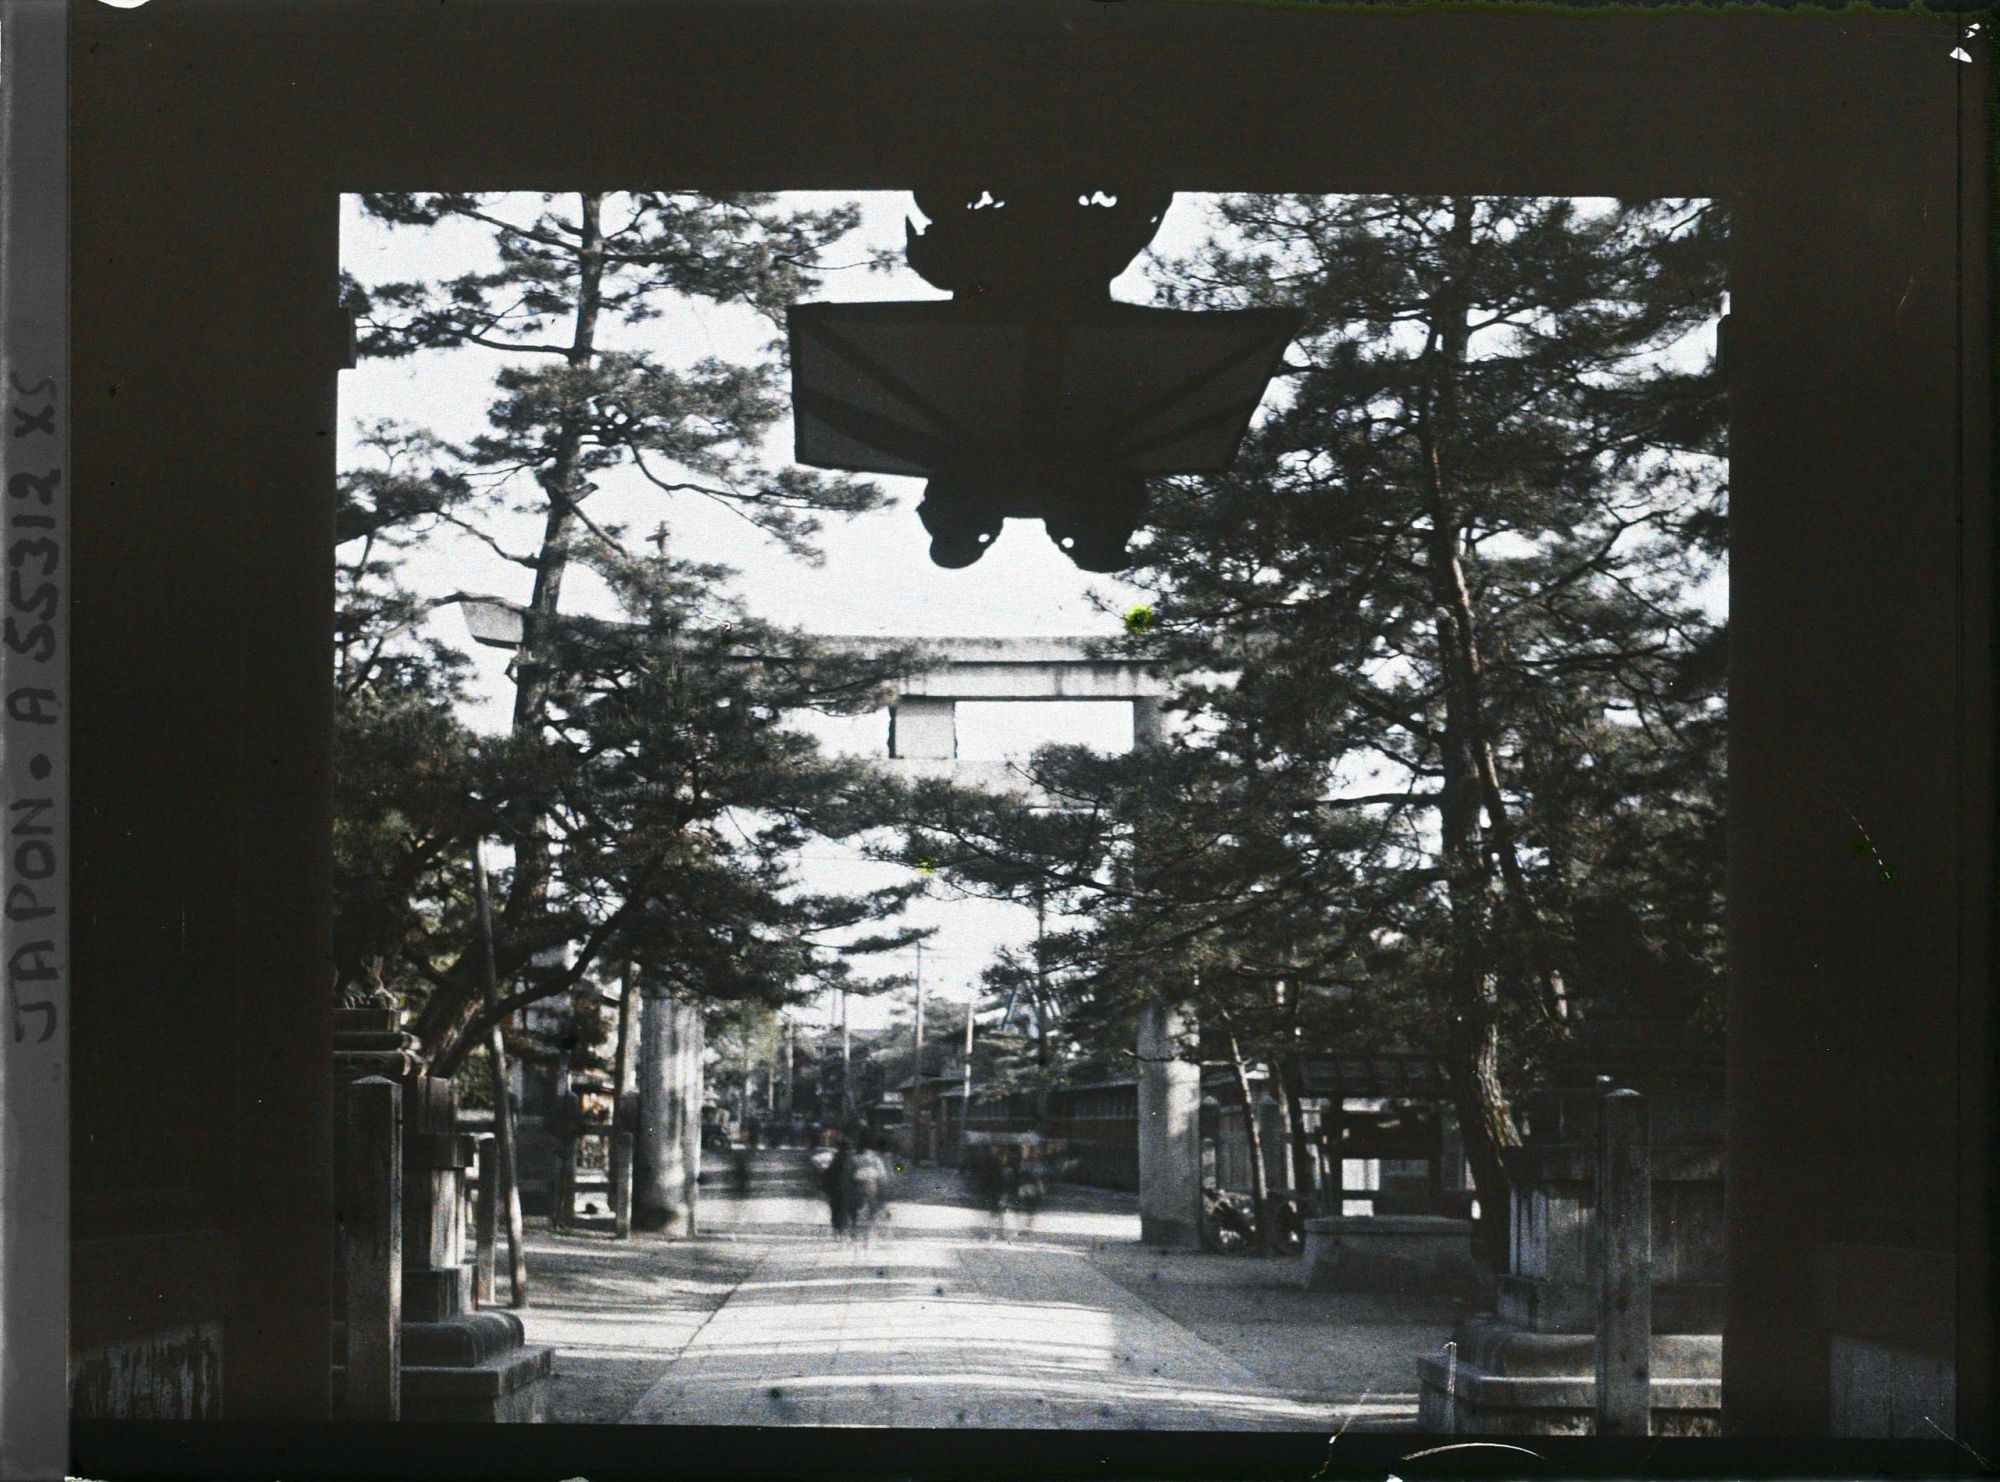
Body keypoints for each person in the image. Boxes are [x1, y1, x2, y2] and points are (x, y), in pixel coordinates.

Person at [844, 1130, 891, 1244]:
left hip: (856, 1187)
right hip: (872, 1186)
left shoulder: (853, 1159)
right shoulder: (876, 1159)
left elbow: (847, 1175)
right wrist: (883, 1194)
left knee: (852, 1208)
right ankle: (868, 1233)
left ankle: (854, 1231)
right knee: (873, 1209)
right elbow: (883, 1177)